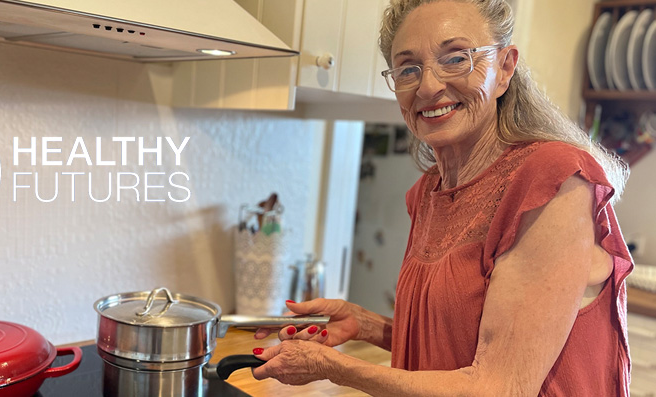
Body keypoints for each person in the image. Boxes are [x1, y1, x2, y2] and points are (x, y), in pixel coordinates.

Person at [250, 0, 634, 395]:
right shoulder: (429, 192)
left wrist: (331, 366)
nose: (428, 86)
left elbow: (498, 386)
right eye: (408, 69)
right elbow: (465, 344)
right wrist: (367, 325)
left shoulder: (552, 179)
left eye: (455, 59)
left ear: (504, 68)